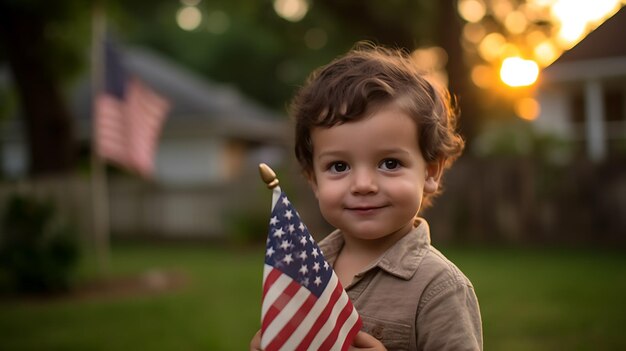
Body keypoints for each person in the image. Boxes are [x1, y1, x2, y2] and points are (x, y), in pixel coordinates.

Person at [251, 42, 482, 351]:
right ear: (313, 179)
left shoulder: (439, 288)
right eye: (339, 166)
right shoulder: (302, 270)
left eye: (390, 163)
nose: (362, 184)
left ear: (430, 171)